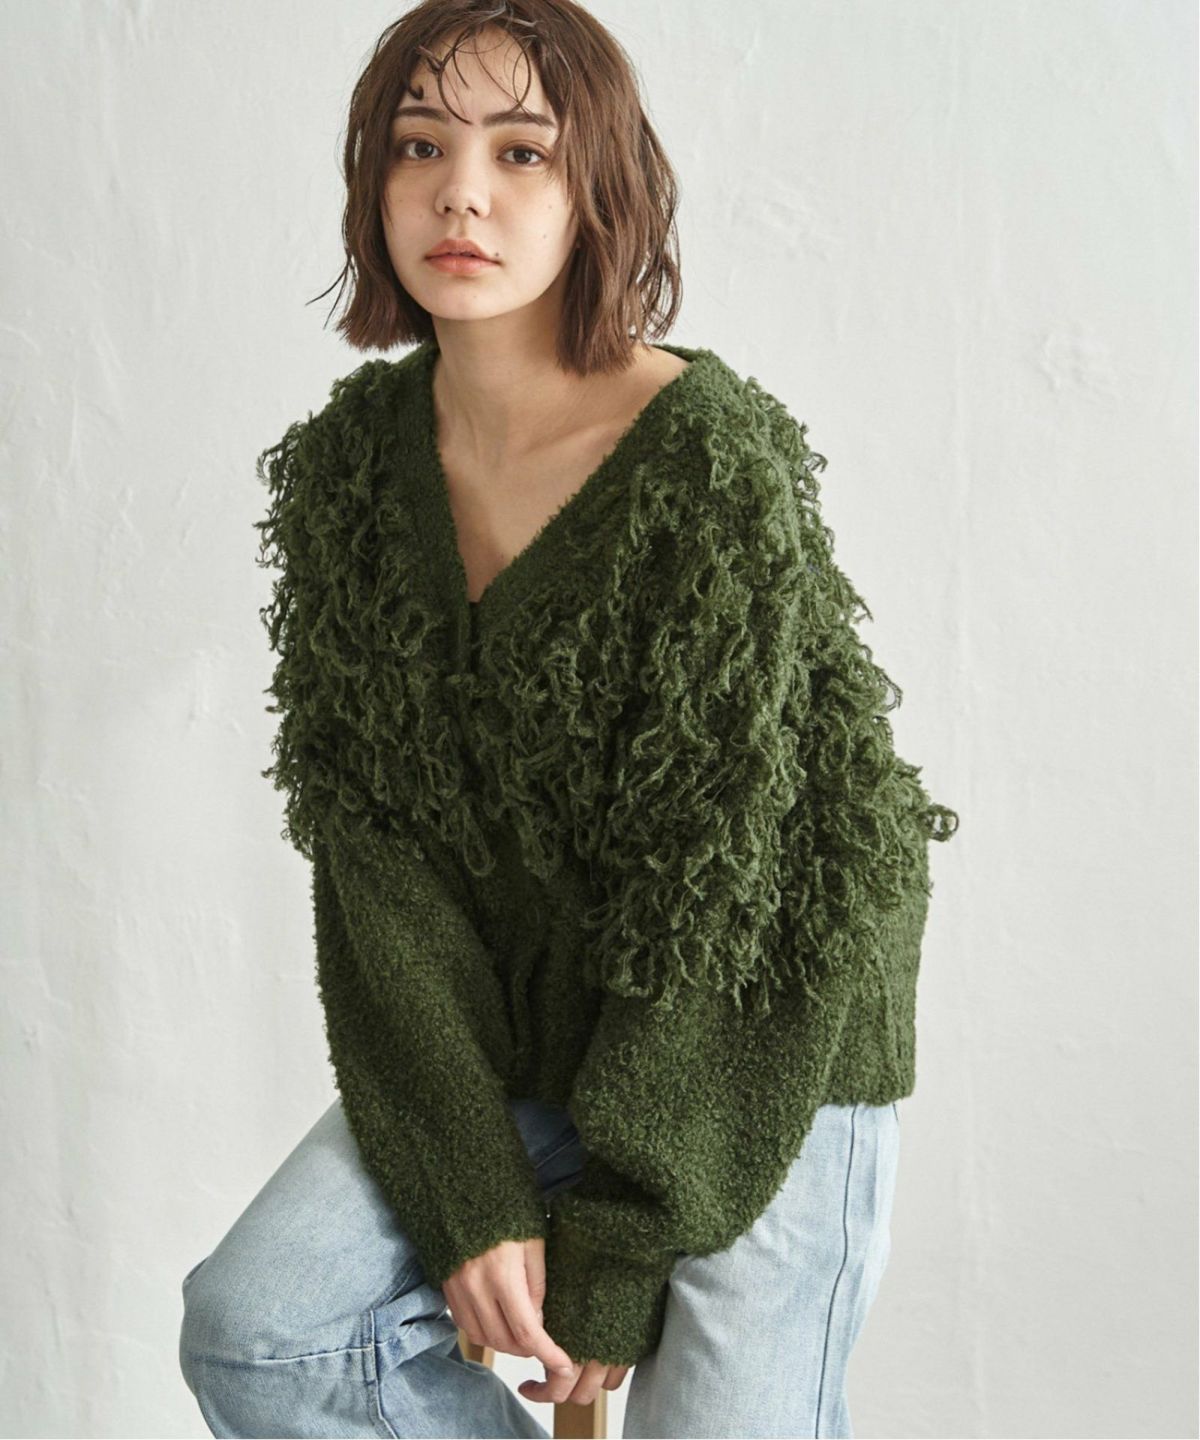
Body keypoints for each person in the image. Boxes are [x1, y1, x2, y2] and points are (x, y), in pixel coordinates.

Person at [178, 3, 959, 1437]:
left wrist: (621, 1244)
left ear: (598, 190)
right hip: (534, 1039)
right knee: (261, 1335)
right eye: (420, 145)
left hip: (759, 1045)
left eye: (522, 152)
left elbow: (729, 881)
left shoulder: (704, 459)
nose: (460, 194)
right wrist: (469, 1192)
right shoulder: (353, 471)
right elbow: (379, 866)